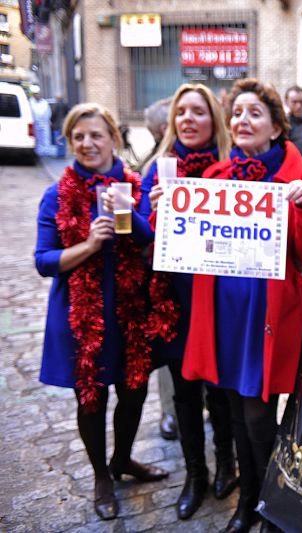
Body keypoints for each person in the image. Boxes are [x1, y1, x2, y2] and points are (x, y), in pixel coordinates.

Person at [181, 78, 302, 533]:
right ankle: (250, 501)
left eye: (255, 113)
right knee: (231, 408)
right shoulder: (212, 179)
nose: (244, 120)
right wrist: (172, 211)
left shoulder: (299, 183)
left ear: (276, 126)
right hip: (223, 318)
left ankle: (270, 504)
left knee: (259, 414)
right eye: (237, 113)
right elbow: (186, 247)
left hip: (264, 320)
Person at [34, 103, 167, 521]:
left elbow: (151, 241)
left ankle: (123, 459)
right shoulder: (57, 194)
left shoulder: (135, 186)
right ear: (70, 143)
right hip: (80, 313)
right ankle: (101, 477)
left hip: (130, 308)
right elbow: (43, 260)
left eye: (96, 135)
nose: (88, 144)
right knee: (90, 397)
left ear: (113, 138)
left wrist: (128, 213)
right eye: (79, 137)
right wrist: (89, 246)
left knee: (134, 391)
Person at [138, 83, 237, 520]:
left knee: (220, 391)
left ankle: (228, 466)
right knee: (184, 392)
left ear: (213, 119)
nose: (188, 119)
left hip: (217, 297)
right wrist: (153, 211)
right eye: (182, 112)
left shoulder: (231, 168)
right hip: (175, 299)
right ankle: (195, 476)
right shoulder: (156, 172)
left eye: (198, 111)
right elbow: (138, 236)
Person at [137, 95, 178, 442]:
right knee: (171, 350)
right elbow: (141, 225)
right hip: (166, 275)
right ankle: (170, 412)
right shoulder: (156, 164)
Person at [29, 86, 52, 156]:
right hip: (35, 123)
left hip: (44, 123)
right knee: (38, 138)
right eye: (35, 94)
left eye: (37, 93)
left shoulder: (44, 102)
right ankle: (39, 152)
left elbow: (48, 112)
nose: (37, 95)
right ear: (33, 94)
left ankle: (46, 151)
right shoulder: (30, 102)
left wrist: (48, 120)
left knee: (46, 137)